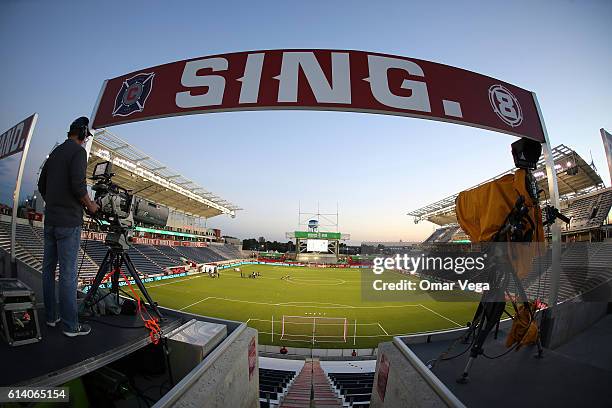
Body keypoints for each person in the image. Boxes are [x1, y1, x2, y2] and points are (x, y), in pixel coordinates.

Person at [38, 117, 99, 337]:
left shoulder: (55, 152)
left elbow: (41, 185)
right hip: (68, 223)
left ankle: (51, 317)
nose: (85, 142)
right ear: (82, 133)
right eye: (85, 137)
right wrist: (91, 205)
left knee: (47, 271)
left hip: (51, 221)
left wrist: (54, 202)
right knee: (67, 274)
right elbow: (78, 185)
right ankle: (71, 326)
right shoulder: (78, 152)